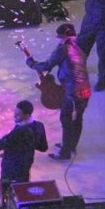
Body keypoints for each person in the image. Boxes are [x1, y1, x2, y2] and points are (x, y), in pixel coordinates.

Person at [25, 23, 91, 160]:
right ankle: (70, 146)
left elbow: (46, 65)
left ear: (62, 37)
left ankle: (65, 153)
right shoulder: (78, 47)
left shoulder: (63, 49)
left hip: (72, 92)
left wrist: (31, 63)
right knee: (77, 118)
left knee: (66, 120)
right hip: (85, 89)